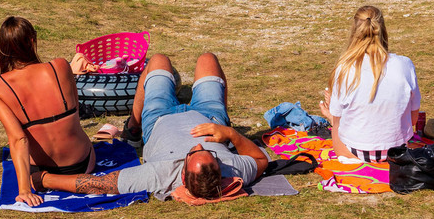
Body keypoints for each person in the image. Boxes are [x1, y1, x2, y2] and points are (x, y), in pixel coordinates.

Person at [36, 51, 266, 202]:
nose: (196, 145)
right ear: (218, 166)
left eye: (192, 153)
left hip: (160, 116)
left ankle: (133, 129)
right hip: (210, 115)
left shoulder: (161, 175)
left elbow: (99, 184)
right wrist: (231, 134)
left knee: (158, 61)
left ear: (183, 176)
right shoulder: (231, 168)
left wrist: (43, 180)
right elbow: (260, 161)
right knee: (208, 58)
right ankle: (221, 118)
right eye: (208, 153)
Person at [0, 17, 96, 207]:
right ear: (32, 41)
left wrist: (24, 191)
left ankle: (44, 179)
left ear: (2, 48)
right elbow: (76, 113)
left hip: (37, 170)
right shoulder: (61, 66)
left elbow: (18, 139)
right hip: (83, 164)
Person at [317, 6, 420, 162]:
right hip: (396, 151)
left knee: (337, 123)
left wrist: (333, 116)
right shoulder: (405, 64)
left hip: (354, 152)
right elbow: (413, 121)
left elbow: (339, 120)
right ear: (383, 30)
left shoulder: (344, 69)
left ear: (354, 32)